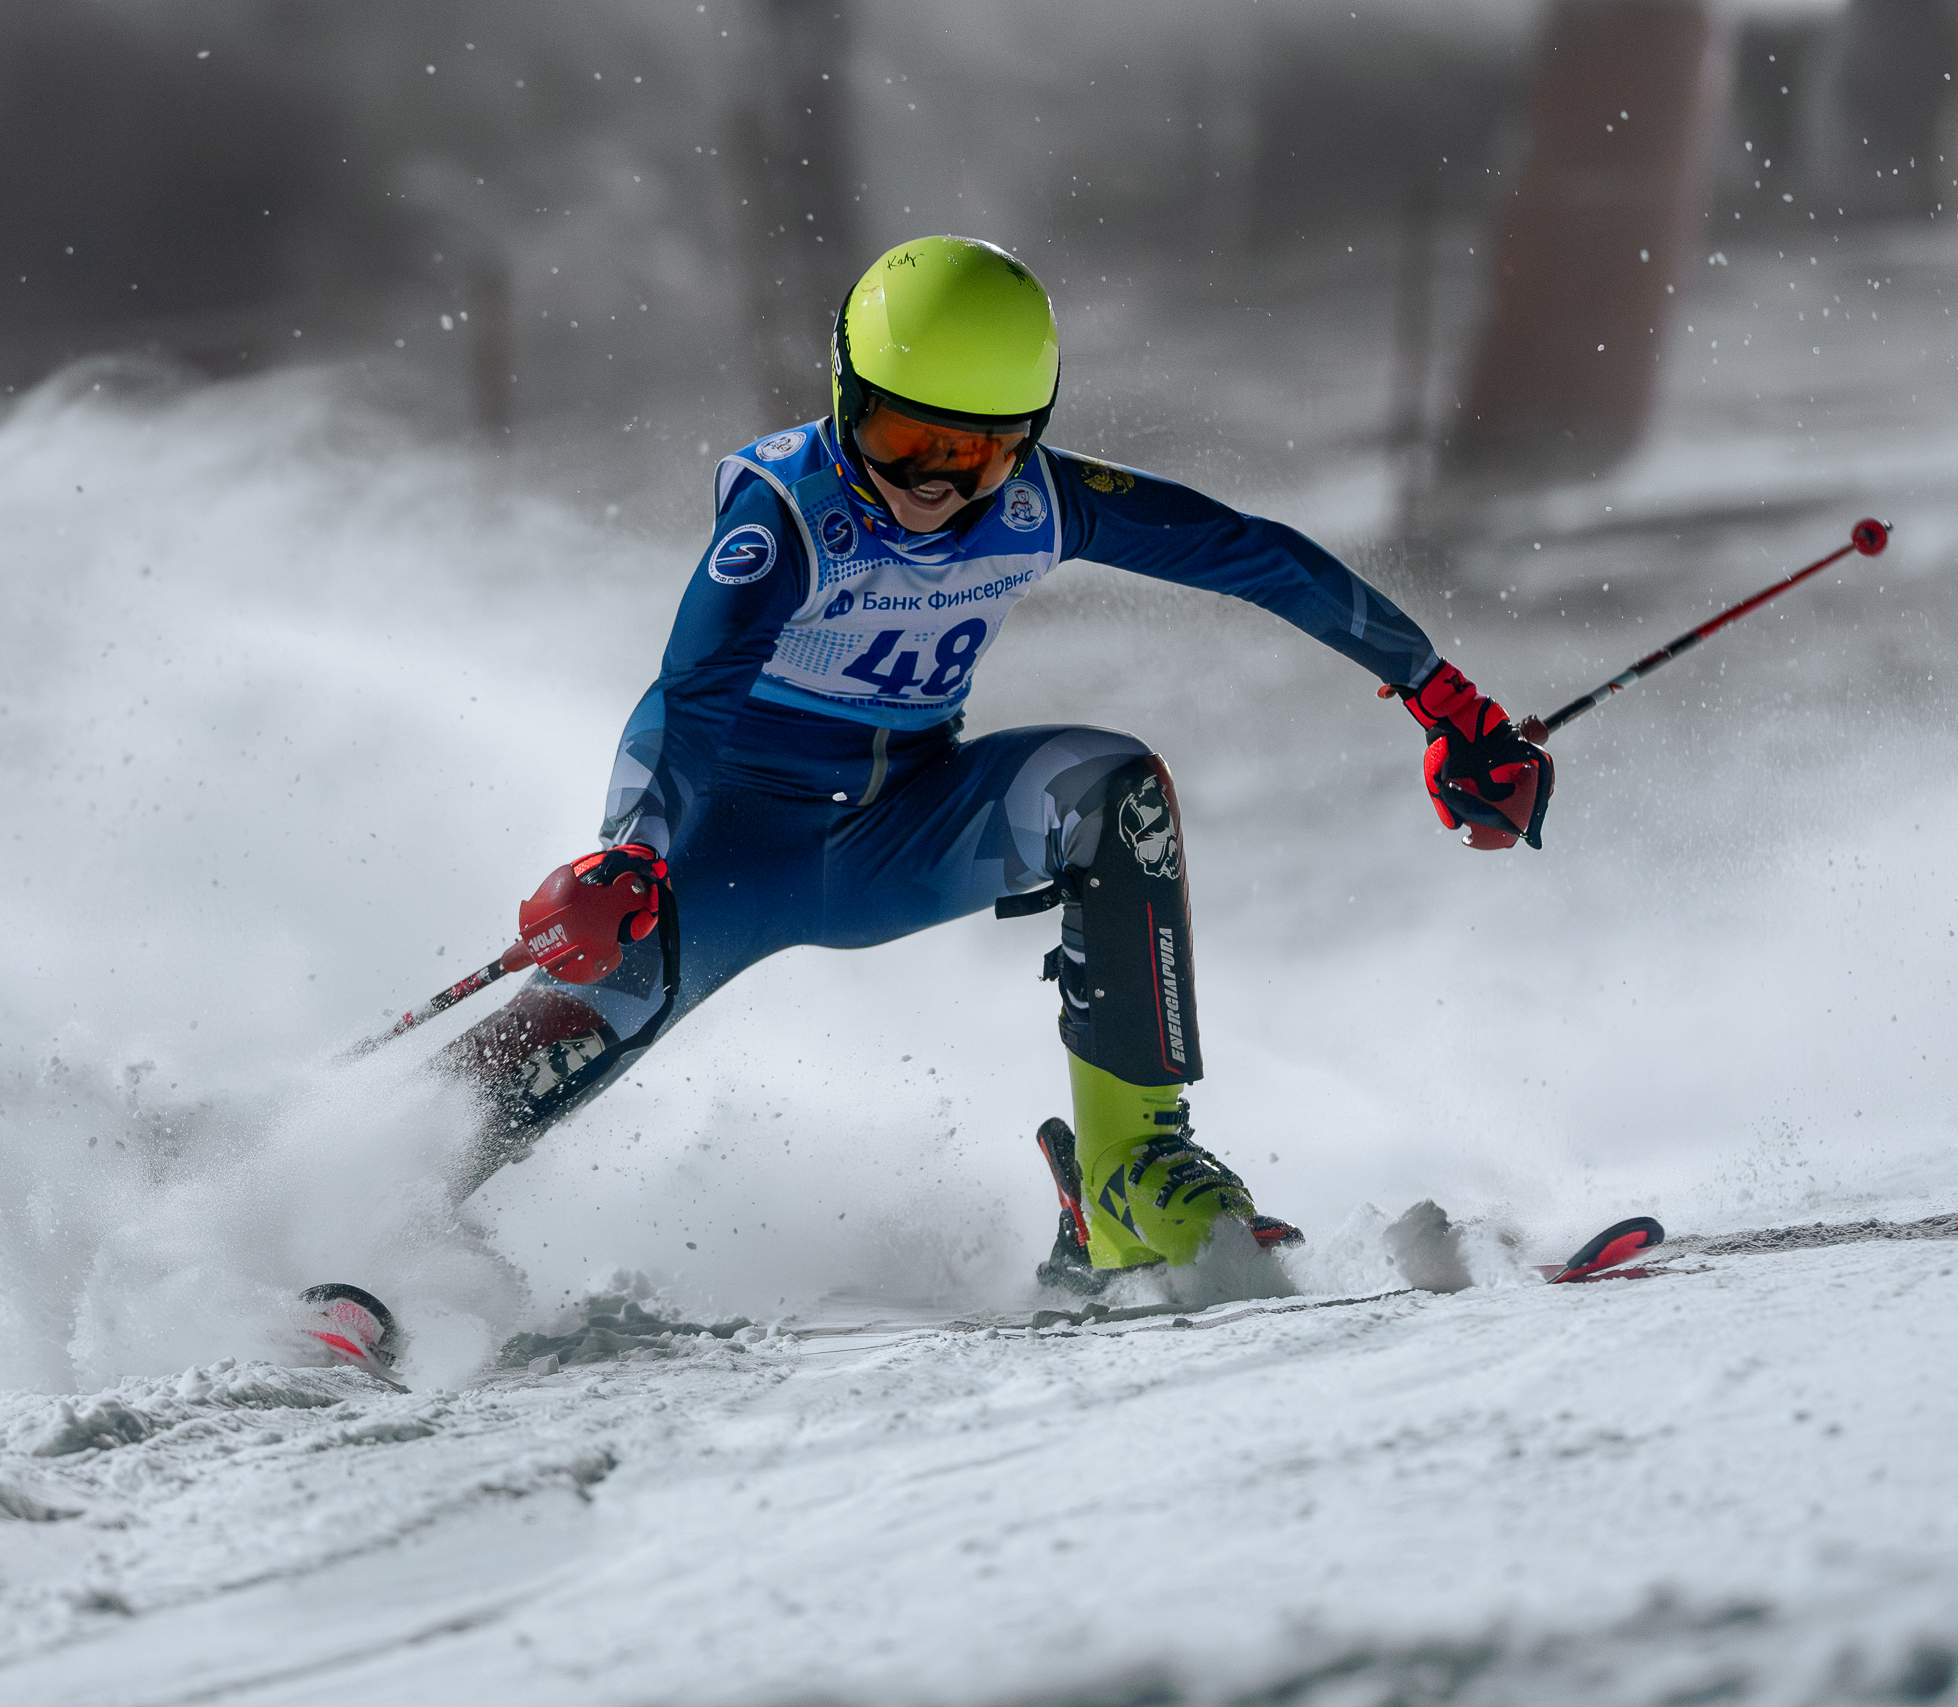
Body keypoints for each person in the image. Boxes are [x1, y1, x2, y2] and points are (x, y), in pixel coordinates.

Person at [435, 235, 1554, 1291]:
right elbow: (690, 696)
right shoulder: (786, 519)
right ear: (844, 399)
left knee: (1112, 791)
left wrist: (1444, 701)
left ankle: (1126, 1186)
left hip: (902, 830)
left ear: (1025, 434)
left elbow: (1250, 554)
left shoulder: (1040, 501)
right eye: (900, 442)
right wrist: (630, 857)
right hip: (722, 850)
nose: (931, 486)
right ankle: (359, 1221)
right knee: (544, 1050)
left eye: (971, 451)